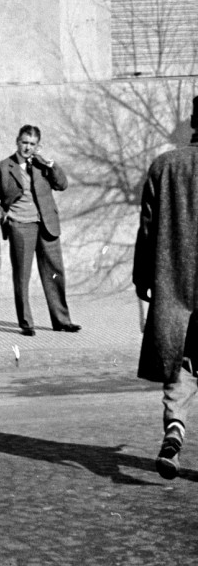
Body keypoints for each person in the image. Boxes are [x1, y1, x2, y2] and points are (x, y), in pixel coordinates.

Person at [133, 96, 198, 480]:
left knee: (180, 363)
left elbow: (147, 229)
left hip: (174, 284)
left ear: (193, 122)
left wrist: (143, 279)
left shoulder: (164, 166)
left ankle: (175, 428)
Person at [0, 125, 81, 337]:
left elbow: (62, 185)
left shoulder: (42, 166)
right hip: (20, 225)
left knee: (55, 273)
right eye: (24, 142)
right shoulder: (3, 167)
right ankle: (26, 323)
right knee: (22, 275)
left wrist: (50, 164)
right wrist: (4, 218)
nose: (27, 147)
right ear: (17, 142)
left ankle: (62, 321)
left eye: (32, 144)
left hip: (47, 224)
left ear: (38, 146)